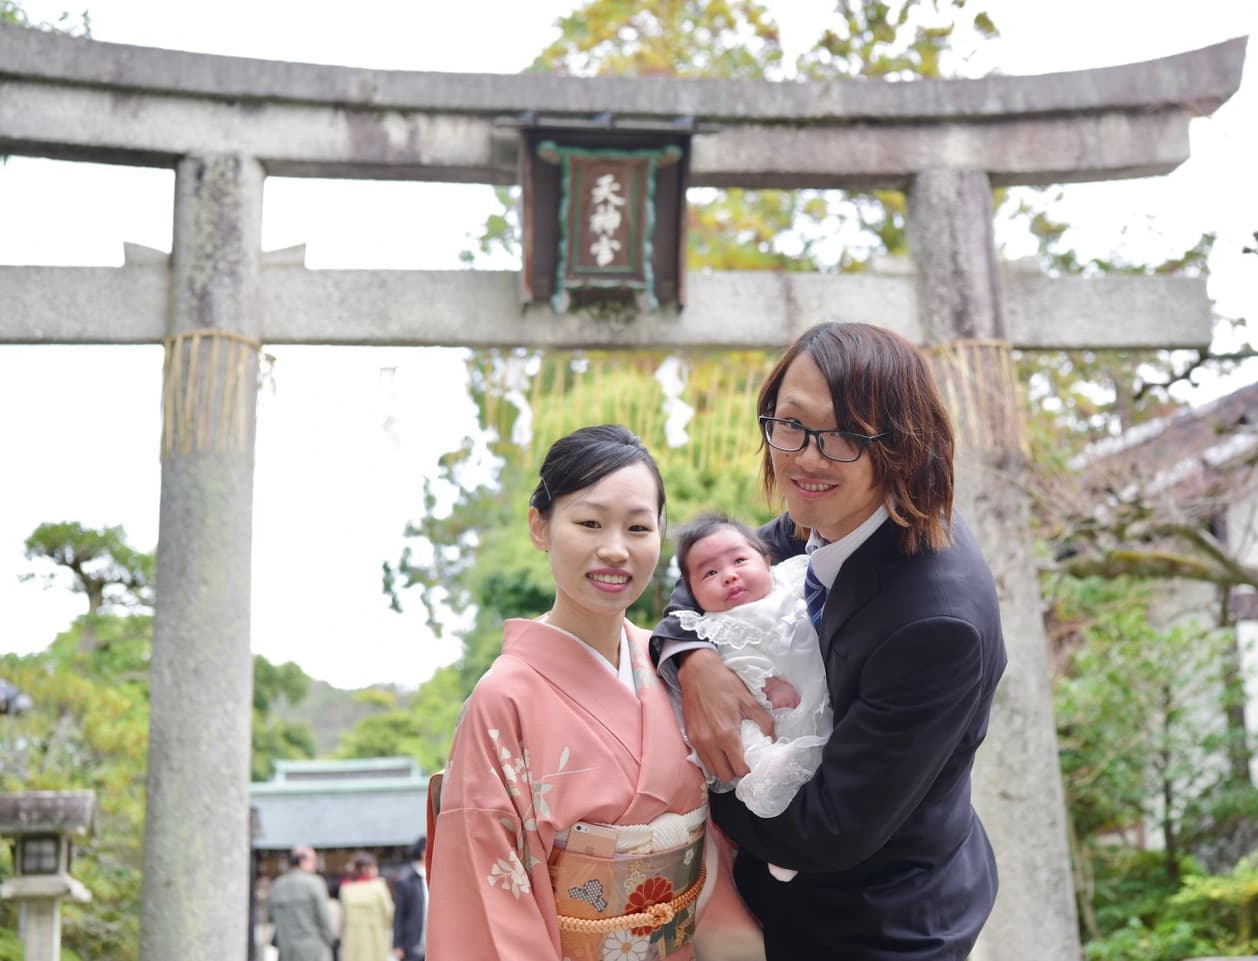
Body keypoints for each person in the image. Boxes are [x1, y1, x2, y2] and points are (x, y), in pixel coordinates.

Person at [653, 321, 1009, 961]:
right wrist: (695, 659)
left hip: (878, 926)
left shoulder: (934, 623)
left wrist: (699, 784)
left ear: (902, 444)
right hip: (782, 900)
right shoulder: (831, 511)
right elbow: (706, 574)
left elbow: (828, 830)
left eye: (845, 434)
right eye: (791, 425)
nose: (807, 458)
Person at [426, 424, 762, 961]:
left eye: (638, 527)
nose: (615, 550)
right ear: (539, 527)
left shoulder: (677, 665)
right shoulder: (502, 700)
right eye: (589, 523)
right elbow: (487, 896)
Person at [669, 513, 830, 821]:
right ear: (692, 594)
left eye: (739, 561)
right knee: (746, 732)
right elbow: (737, 666)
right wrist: (768, 684)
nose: (729, 575)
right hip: (772, 710)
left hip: (817, 688)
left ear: (767, 561)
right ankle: (767, 767)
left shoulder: (788, 581)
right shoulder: (719, 624)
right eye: (710, 573)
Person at [267, 845, 337, 961]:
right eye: (313, 860)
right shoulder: (315, 883)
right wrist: (331, 940)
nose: (315, 865)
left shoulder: (277, 885)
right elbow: (324, 919)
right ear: (303, 861)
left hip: (286, 951)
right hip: (315, 951)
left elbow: (270, 918)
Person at [336, 851, 393, 961]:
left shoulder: (346, 889)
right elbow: (388, 913)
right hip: (376, 939)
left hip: (353, 941)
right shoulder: (379, 887)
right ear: (368, 868)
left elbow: (343, 919)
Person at [391, 836, 426, 961]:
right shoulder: (406, 879)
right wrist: (397, 945)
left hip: (433, 942)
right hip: (412, 944)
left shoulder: (437, 875)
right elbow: (399, 914)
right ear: (423, 852)